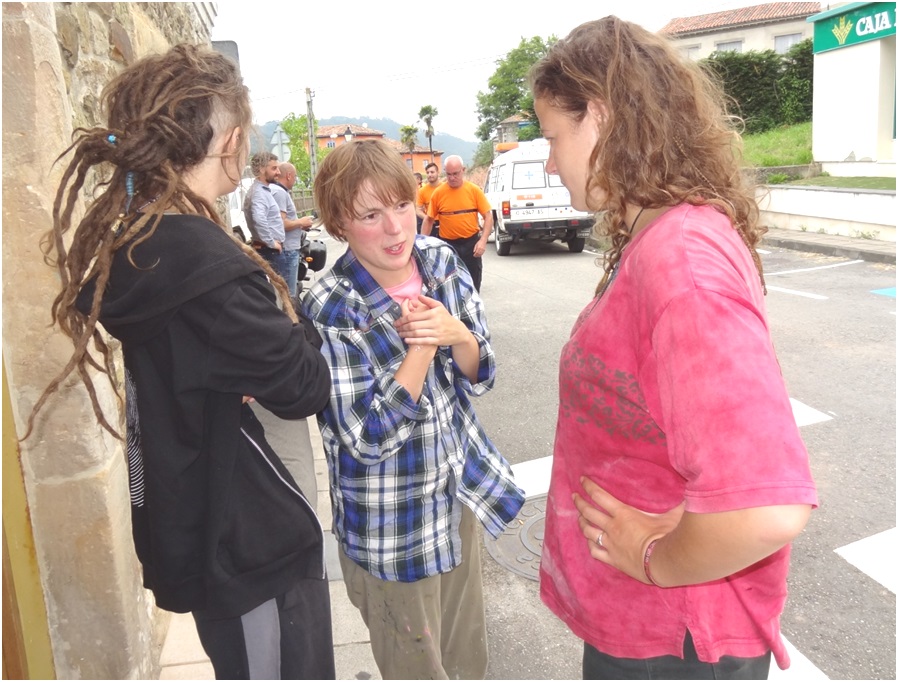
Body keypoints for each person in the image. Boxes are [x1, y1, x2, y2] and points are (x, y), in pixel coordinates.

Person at [26, 45, 336, 680]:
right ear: (231, 140)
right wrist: (287, 330)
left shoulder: (143, 240)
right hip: (248, 547)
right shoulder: (210, 270)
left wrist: (246, 365)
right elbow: (306, 387)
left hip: (197, 519)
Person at [530, 17, 818, 680]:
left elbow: (766, 504)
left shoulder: (681, 259)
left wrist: (657, 557)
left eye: (553, 138)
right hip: (651, 628)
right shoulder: (661, 239)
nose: (550, 163)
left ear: (598, 118)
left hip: (677, 639)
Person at [303, 139, 524, 680]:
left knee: (467, 660)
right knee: (416, 670)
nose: (396, 229)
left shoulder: (440, 259)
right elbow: (365, 438)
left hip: (456, 496)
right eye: (370, 215)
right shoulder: (330, 307)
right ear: (338, 225)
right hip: (393, 526)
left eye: (401, 207)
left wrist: (458, 335)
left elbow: (482, 370)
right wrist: (424, 348)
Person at [420, 156, 492, 292]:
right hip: (448, 246)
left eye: (455, 173)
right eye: (448, 174)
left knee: (473, 284)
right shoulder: (438, 193)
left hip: (471, 245)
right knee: (450, 286)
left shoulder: (474, 190)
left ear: (463, 170)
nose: (452, 178)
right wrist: (422, 245)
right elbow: (429, 219)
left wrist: (483, 240)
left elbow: (488, 216)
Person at [244, 151, 290, 286]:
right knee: (282, 294)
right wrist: (271, 243)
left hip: (268, 250)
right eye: (274, 168)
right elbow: (259, 219)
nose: (278, 172)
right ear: (261, 169)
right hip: (270, 252)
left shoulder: (261, 190)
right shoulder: (259, 193)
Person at [271, 161, 314, 297]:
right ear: (289, 175)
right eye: (295, 177)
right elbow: (279, 224)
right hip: (287, 249)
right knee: (289, 295)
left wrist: (299, 225)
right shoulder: (279, 193)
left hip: (284, 248)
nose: (295, 180)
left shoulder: (275, 190)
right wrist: (300, 222)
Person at [416, 161, 441, 239]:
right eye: (428, 172)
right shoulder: (422, 191)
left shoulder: (446, 188)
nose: (430, 174)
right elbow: (417, 209)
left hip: (445, 224)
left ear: (438, 172)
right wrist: (426, 218)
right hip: (431, 223)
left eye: (432, 172)